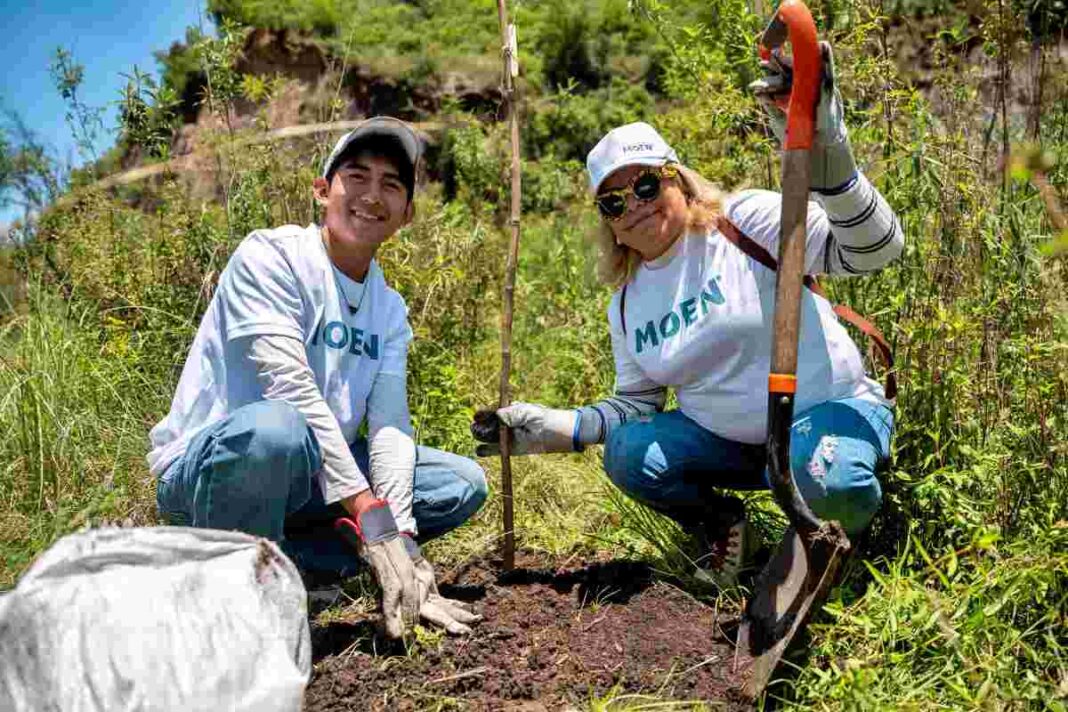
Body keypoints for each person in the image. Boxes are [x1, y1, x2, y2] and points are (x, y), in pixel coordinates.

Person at [474, 45, 901, 587]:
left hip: (828, 413)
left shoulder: (743, 225)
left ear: (678, 179)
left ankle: (847, 547)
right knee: (629, 455)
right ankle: (727, 527)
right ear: (605, 220)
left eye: (646, 185)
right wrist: (564, 428)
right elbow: (636, 406)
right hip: (740, 449)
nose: (635, 206)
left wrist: (833, 160)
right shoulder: (627, 303)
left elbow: (875, 250)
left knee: (831, 480)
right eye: (613, 202)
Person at [148, 116, 486, 637]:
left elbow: (391, 425)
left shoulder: (389, 310)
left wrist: (402, 536)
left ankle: (296, 562)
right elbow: (292, 391)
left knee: (460, 483)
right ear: (322, 191)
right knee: (276, 430)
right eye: (357, 176)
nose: (372, 195)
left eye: (391, 185)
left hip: (309, 479)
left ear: (406, 214)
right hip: (215, 471)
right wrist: (369, 515)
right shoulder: (272, 256)